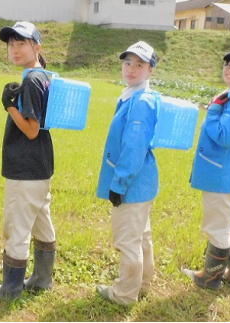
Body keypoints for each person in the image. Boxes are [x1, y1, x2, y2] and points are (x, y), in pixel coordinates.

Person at [182, 45, 230, 290]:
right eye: (228, 64)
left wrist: (214, 110)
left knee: (217, 223)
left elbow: (224, 135)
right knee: (228, 221)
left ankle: (210, 278)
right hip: (224, 171)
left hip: (222, 173)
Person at [0, 21, 56, 300]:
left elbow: (30, 129)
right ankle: (42, 279)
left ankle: (11, 288)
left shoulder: (30, 80)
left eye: (21, 43)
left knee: (17, 226)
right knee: (42, 221)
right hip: (40, 166)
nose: (14, 49)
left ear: (36, 47)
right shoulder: (44, 76)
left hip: (25, 168)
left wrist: (9, 106)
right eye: (11, 44)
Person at [95, 41, 159, 305]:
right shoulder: (134, 96)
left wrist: (118, 184)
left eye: (139, 64)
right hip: (143, 183)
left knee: (128, 241)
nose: (131, 69)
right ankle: (142, 285)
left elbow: (133, 148)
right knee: (142, 236)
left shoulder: (140, 102)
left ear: (150, 70)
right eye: (128, 63)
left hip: (133, 184)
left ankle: (123, 295)